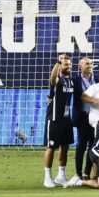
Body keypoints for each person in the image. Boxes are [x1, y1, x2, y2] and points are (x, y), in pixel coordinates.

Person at [43, 55, 75, 188]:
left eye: (69, 64)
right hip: (54, 120)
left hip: (66, 120)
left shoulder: (72, 82)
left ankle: (61, 176)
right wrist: (58, 62)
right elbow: (52, 78)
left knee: (65, 147)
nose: (68, 66)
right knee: (51, 148)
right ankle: (47, 177)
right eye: (65, 64)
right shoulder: (57, 80)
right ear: (60, 66)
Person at [70, 56, 99, 184]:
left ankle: (86, 172)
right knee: (81, 146)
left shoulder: (97, 79)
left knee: (92, 146)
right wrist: (51, 98)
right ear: (80, 66)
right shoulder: (75, 80)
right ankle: (77, 173)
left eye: (91, 63)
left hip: (96, 117)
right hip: (82, 117)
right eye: (87, 64)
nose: (90, 65)